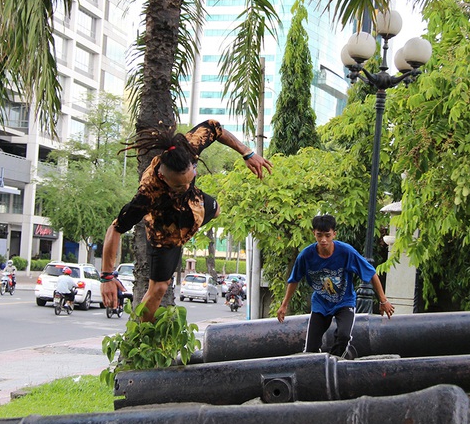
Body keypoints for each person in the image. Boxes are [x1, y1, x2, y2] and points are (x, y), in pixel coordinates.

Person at [101, 120, 272, 322]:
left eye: (190, 179)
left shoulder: (189, 145)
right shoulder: (147, 193)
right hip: (165, 229)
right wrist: (107, 276)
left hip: (194, 204)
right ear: (164, 179)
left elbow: (216, 129)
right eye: (179, 185)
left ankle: (191, 223)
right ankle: (140, 335)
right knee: (159, 288)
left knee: (216, 210)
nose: (186, 185)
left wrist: (247, 153)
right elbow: (115, 228)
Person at [276, 214, 395, 359]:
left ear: (334, 234)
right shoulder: (306, 256)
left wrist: (383, 300)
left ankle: (333, 362)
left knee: (343, 336)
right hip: (321, 303)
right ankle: (315, 368)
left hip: (344, 302)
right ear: (314, 233)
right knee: (311, 348)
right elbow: (294, 280)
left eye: (327, 235)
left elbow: (371, 273)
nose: (323, 240)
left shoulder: (346, 252)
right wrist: (284, 304)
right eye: (319, 235)